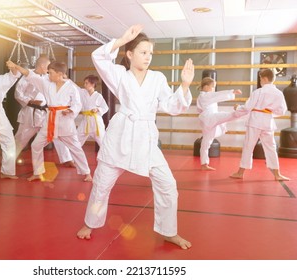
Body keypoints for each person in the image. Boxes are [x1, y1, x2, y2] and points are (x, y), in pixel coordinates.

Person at [76, 24, 194, 250]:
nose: (148, 57)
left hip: (146, 138)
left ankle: (169, 231)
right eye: (143, 52)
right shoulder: (119, 75)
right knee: (101, 183)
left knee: (168, 185)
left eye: (150, 53)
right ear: (129, 54)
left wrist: (185, 85)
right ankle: (90, 224)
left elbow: (171, 106)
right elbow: (98, 57)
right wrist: (120, 40)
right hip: (120, 136)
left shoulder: (158, 78)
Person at [8, 60, 93, 182]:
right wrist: (16, 66)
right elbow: (29, 74)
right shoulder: (46, 83)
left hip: (65, 122)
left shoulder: (70, 86)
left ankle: (87, 173)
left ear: (59, 74)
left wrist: (71, 111)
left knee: (75, 148)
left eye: (51, 73)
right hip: (49, 122)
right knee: (36, 145)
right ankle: (38, 172)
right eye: (48, 72)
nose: (48, 75)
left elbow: (77, 104)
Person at [230, 68, 290, 181]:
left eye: (261, 79)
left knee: (248, 146)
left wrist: (238, 107)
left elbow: (247, 108)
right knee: (271, 147)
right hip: (268, 122)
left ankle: (240, 173)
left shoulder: (258, 92)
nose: (260, 81)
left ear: (265, 78)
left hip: (255, 122)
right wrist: (269, 113)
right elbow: (282, 111)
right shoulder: (279, 93)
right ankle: (277, 174)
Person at [14, 56, 74, 167]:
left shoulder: (49, 77)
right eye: (48, 66)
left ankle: (67, 159)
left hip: (46, 112)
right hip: (31, 112)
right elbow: (18, 94)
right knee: (21, 138)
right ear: (42, 66)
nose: (49, 69)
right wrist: (30, 101)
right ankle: (10, 159)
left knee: (57, 135)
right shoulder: (27, 76)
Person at [197, 77, 242, 170]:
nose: (213, 89)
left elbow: (216, 96)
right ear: (206, 87)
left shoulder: (205, 96)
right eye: (212, 86)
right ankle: (240, 111)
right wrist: (232, 92)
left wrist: (231, 92)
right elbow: (218, 95)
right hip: (211, 117)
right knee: (229, 115)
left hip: (209, 120)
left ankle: (204, 164)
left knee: (206, 142)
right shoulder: (204, 96)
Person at [77, 75, 109, 147]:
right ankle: (72, 157)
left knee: (103, 143)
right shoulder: (82, 93)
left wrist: (98, 109)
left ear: (93, 84)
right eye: (84, 83)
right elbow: (75, 88)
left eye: (86, 83)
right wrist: (67, 80)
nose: (84, 85)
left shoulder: (98, 96)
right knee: (76, 140)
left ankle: (109, 157)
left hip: (96, 122)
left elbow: (105, 107)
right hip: (86, 121)